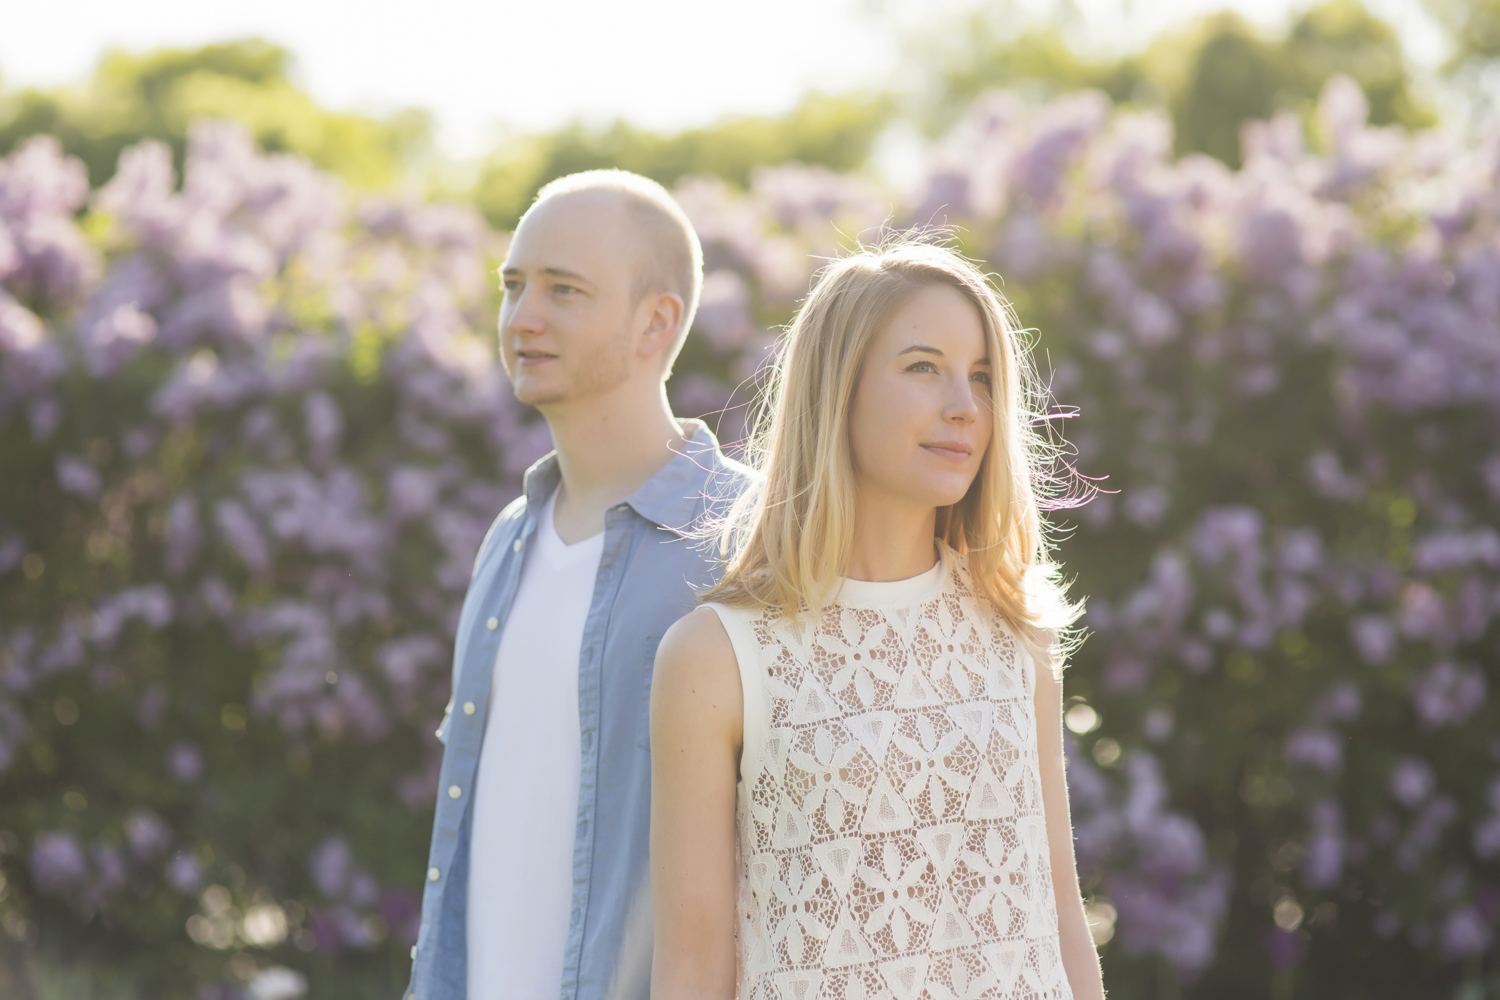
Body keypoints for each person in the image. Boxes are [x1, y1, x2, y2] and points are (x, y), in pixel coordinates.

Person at [649, 238, 1106, 1000]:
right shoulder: (716, 656)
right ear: (839, 391)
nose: (966, 406)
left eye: (983, 376)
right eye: (924, 367)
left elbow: (1061, 921)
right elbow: (693, 968)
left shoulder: (1016, 628)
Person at [405, 169, 750, 1000]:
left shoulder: (749, 539)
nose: (523, 317)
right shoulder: (507, 541)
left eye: (564, 290)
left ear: (655, 323)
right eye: (514, 285)